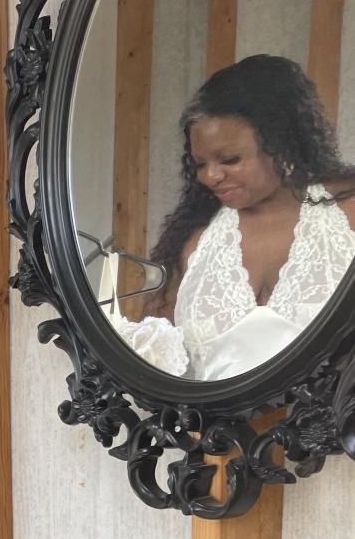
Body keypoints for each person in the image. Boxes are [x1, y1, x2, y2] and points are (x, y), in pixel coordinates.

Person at [126, 55, 355, 379]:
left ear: (282, 144)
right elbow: (160, 373)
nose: (211, 176)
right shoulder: (194, 246)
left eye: (229, 159)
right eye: (200, 164)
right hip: (214, 431)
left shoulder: (348, 217)